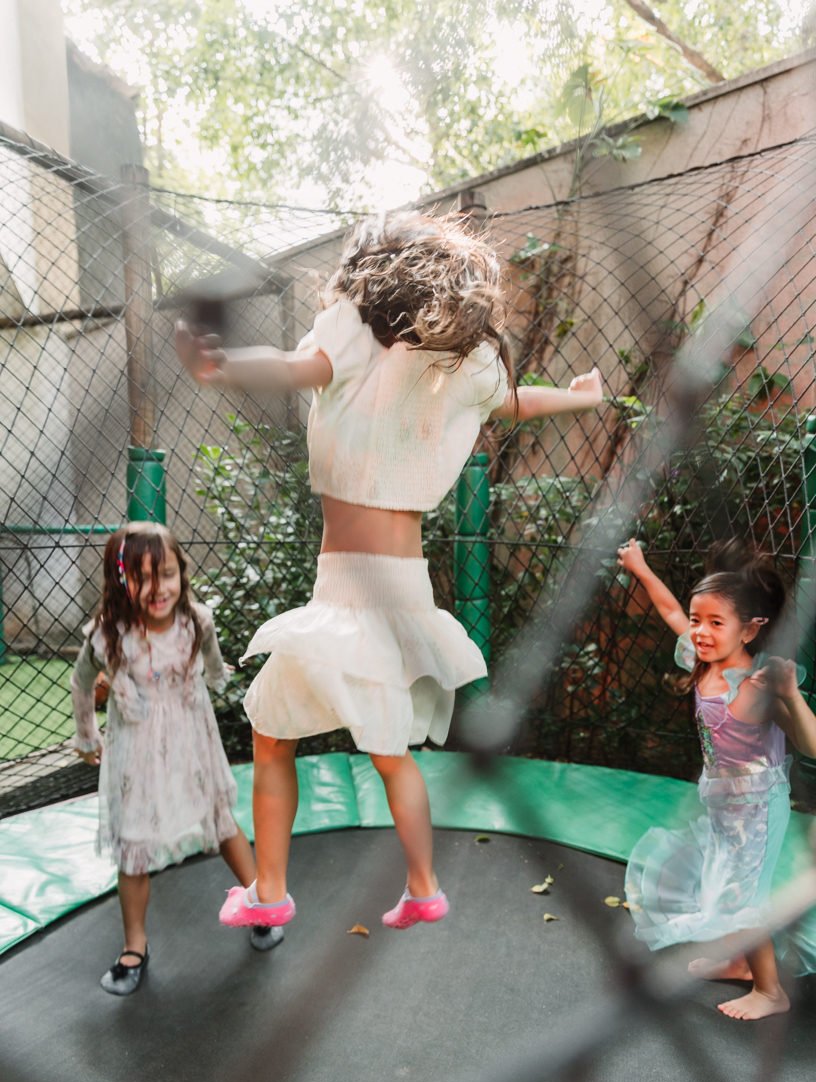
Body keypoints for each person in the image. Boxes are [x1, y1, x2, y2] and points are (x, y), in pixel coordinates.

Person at [175, 210, 603, 934]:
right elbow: (515, 404)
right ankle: (423, 885)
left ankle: (272, 890)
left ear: (365, 272)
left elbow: (293, 367)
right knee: (390, 751)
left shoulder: (350, 328)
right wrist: (584, 396)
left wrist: (223, 368)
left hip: (346, 587)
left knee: (272, 734)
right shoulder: (460, 360)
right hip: (408, 591)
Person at [72, 522, 282, 997]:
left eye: (166, 573)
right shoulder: (107, 635)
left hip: (190, 743)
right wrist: (87, 736)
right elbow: (81, 681)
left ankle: (259, 902)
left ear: (180, 572)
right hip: (135, 756)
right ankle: (135, 945)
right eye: (142, 578)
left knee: (220, 821)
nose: (158, 588)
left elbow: (211, 660)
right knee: (133, 846)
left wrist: (217, 678)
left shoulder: (196, 621)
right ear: (120, 581)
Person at [617, 537, 816, 1019]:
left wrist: (791, 695)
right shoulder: (700, 659)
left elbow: (810, 746)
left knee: (746, 897)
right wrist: (640, 568)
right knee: (722, 882)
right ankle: (739, 962)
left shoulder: (757, 685)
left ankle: (771, 991)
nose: (700, 631)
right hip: (724, 803)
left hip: (758, 810)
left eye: (715, 623)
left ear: (749, 631)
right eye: (697, 620)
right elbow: (668, 610)